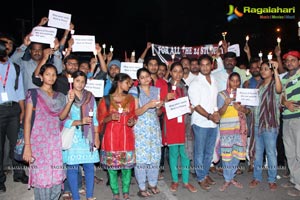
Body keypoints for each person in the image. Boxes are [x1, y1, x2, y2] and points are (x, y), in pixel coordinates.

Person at [22, 63, 74, 200]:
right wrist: (27, 146)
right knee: (42, 177)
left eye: (53, 74)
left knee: (55, 175)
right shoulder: (33, 93)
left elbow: (61, 117)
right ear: (41, 76)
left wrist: (69, 102)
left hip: (54, 141)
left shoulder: (60, 96)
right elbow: (27, 120)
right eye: (47, 74)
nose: (51, 77)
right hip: (38, 141)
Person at [97, 73, 136, 200]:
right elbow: (100, 119)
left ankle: (126, 191)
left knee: (127, 168)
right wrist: (110, 117)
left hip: (126, 138)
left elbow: (133, 115)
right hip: (111, 138)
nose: (129, 85)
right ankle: (115, 192)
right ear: (119, 82)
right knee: (112, 168)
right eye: (127, 83)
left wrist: (132, 121)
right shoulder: (105, 100)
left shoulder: (130, 99)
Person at [62, 71, 100, 200]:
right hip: (74, 137)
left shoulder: (90, 96)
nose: (80, 84)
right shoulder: (67, 97)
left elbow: (94, 118)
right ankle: (76, 197)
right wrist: (80, 121)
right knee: (72, 168)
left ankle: (89, 196)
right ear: (73, 82)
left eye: (83, 81)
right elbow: (63, 120)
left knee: (89, 167)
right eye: (77, 81)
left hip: (88, 136)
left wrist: (96, 136)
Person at [162, 62, 197, 193]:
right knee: (173, 154)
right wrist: (165, 99)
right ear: (170, 72)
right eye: (175, 71)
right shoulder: (165, 87)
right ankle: (175, 180)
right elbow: (159, 108)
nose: (177, 74)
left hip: (184, 125)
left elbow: (189, 104)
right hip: (171, 125)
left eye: (180, 71)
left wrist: (190, 108)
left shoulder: (185, 88)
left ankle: (186, 182)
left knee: (185, 154)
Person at [129, 68, 163, 197]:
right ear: (138, 79)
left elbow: (158, 113)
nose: (145, 79)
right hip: (140, 129)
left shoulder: (156, 90)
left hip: (154, 128)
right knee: (141, 160)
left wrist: (159, 107)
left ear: (150, 77)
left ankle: (153, 184)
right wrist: (148, 105)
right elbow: (135, 112)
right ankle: (142, 186)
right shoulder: (134, 91)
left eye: (147, 76)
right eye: (142, 77)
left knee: (155, 157)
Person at [249, 61, 282, 191]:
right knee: (258, 153)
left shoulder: (275, 83)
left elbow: (279, 90)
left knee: (271, 153)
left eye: (266, 69)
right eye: (261, 69)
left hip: (270, 125)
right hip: (257, 123)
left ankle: (272, 179)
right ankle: (257, 177)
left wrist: (276, 71)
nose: (262, 71)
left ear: (272, 71)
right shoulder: (259, 85)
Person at [188, 54, 220, 191]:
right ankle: (200, 177)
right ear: (199, 66)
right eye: (203, 65)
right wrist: (209, 116)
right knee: (199, 152)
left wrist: (216, 113)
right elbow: (196, 105)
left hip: (213, 122)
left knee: (209, 151)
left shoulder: (213, 79)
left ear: (211, 66)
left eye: (208, 64)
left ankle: (205, 174)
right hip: (201, 122)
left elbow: (214, 100)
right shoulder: (195, 84)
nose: (205, 67)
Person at [0, 36, 27, 193]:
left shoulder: (15, 67)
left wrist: (22, 110)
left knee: (17, 145)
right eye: (4, 43)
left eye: (10, 43)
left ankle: (18, 173)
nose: (7, 46)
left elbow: (20, 91)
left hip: (14, 109)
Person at [217, 72, 249, 191]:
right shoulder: (221, 95)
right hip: (226, 129)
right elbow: (219, 113)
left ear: (240, 82)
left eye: (237, 81)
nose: (235, 83)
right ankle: (227, 179)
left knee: (236, 154)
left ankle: (231, 177)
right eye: (232, 80)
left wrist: (241, 109)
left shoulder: (243, 95)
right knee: (226, 156)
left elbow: (249, 112)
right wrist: (226, 104)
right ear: (228, 81)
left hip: (240, 129)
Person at [280, 50, 300, 197]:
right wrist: (285, 102)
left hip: (298, 118)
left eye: (293, 60)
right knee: (290, 153)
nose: (290, 63)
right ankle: (295, 180)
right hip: (286, 119)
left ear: (298, 62)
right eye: (287, 61)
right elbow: (280, 98)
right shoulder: (284, 78)